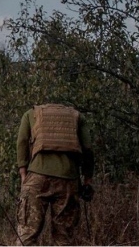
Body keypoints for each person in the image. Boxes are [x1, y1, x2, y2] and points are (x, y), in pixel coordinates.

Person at [15, 103, 94, 246]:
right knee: (64, 237)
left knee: (26, 234)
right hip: (69, 179)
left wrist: (23, 173)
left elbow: (21, 142)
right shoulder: (78, 116)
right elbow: (87, 148)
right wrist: (87, 179)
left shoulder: (30, 114)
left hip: (37, 178)